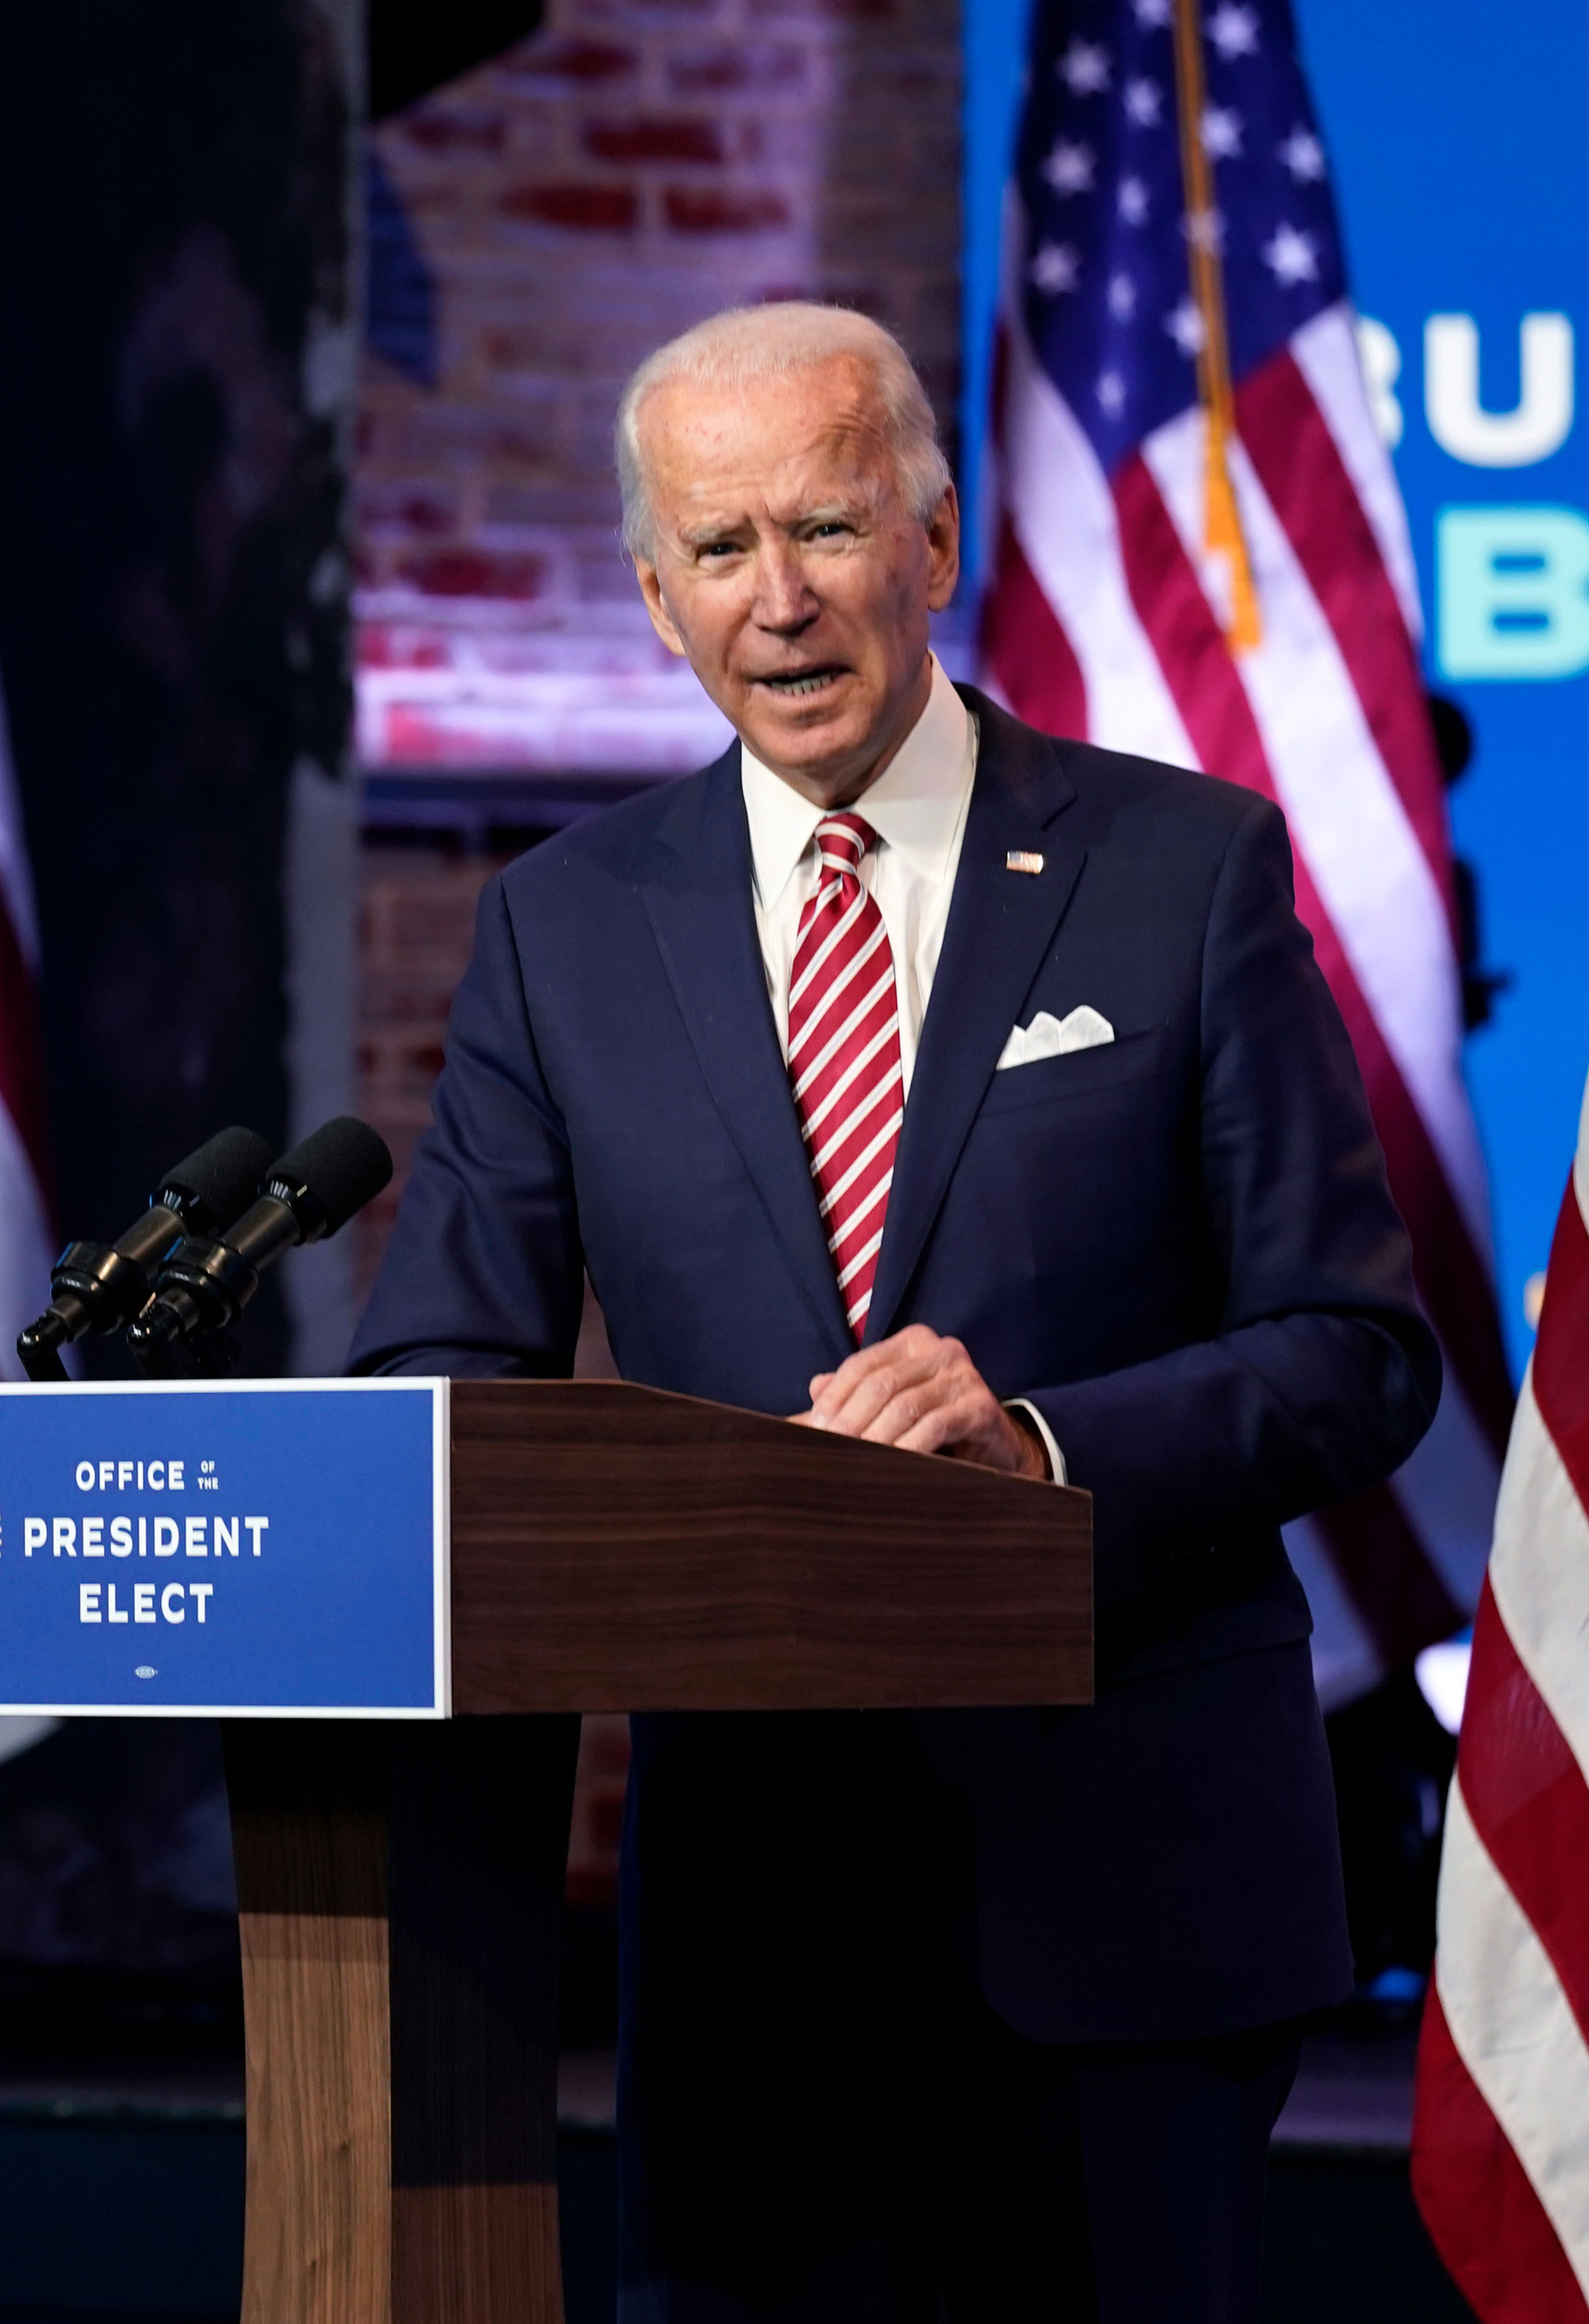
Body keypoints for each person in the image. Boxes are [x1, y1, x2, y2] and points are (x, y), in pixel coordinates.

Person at [347, 303, 1438, 2317]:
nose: (778, 600)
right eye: (720, 548)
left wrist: (1030, 1447)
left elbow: (1352, 1353)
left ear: (933, 541)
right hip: (749, 1929)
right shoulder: (564, 925)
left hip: (1120, 1888)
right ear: (654, 593)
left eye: (826, 530)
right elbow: (445, 1378)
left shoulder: (1177, 871)